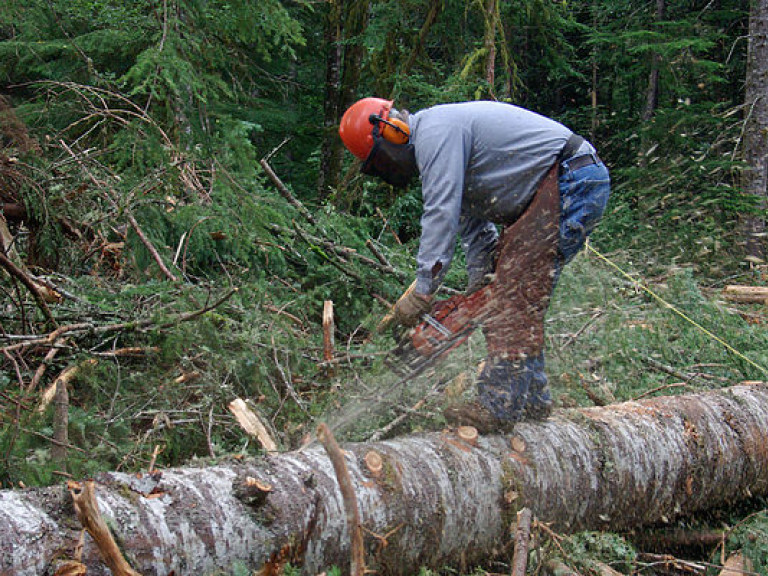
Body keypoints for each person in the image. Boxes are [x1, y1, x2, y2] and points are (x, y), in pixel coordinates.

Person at [338, 98, 610, 433]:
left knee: (515, 295)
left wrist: (424, 289)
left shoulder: (435, 133)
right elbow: (476, 230)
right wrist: (481, 284)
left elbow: (441, 212)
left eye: (380, 161)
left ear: (393, 131)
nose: (387, 169)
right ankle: (533, 399)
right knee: (511, 292)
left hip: (571, 178)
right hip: (556, 185)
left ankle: (499, 405)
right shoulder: (443, 147)